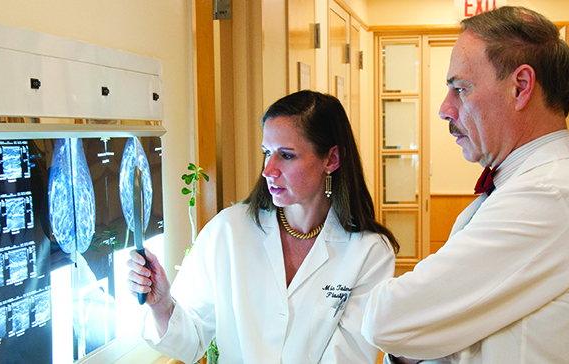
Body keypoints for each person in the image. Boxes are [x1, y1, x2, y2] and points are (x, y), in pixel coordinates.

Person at [360, 6, 569, 364]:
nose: (445, 110)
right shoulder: (531, 182)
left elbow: (384, 320)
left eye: (461, 89)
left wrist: (418, 334)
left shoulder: (546, 197)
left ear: (520, 87)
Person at [127, 90, 399, 364]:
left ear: (331, 159)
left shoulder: (369, 252)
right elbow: (190, 343)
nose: (268, 170)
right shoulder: (228, 231)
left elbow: (349, 357)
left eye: (287, 155)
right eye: (267, 153)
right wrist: (161, 305)